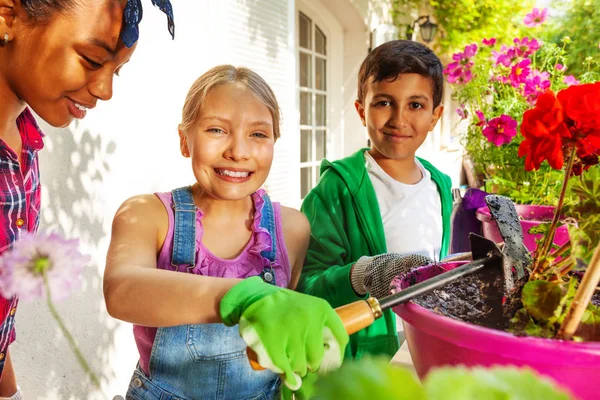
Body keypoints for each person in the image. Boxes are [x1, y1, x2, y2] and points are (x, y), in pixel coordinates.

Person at [103, 65, 348, 399]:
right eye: (217, 130)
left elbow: (284, 327)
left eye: (258, 134)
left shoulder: (292, 228)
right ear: (184, 139)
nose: (238, 151)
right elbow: (122, 290)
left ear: (275, 142)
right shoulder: (149, 215)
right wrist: (244, 298)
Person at [0, 1, 174, 398]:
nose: (105, 90)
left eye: (117, 71)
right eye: (92, 59)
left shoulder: (25, 144)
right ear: (8, 16)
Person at [298, 40, 453, 361]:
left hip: (424, 349)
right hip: (364, 360)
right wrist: (364, 274)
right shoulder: (338, 188)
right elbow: (305, 287)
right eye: (384, 102)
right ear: (361, 110)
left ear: (435, 116)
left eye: (416, 105)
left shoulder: (441, 185)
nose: (399, 119)